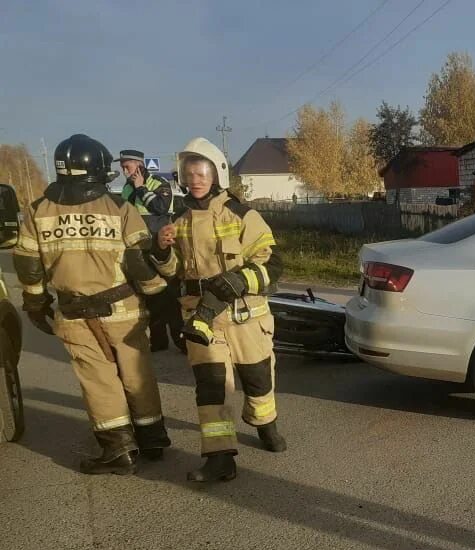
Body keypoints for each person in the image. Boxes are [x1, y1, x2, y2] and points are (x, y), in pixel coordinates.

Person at [12, 134, 171, 473]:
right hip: (124, 309)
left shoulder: (38, 211)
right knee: (136, 372)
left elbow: (27, 264)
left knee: (98, 378)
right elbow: (139, 261)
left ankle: (118, 450)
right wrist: (157, 294)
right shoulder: (119, 208)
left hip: (74, 313)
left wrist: (36, 304)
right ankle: (152, 438)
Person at [150, 137, 286, 483]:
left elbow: (272, 264)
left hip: (246, 317)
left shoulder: (243, 215)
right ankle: (220, 458)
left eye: (202, 172)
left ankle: (264, 423)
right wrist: (162, 251)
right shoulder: (177, 221)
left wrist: (239, 281)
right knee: (211, 387)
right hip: (201, 320)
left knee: (258, 380)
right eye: (189, 173)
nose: (195, 179)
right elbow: (173, 273)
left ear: (217, 174)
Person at [117, 149, 182, 352]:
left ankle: (181, 341)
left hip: (161, 247)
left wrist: (142, 189)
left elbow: (160, 208)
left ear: (139, 164)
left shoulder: (159, 183)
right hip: (139, 249)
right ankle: (158, 341)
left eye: (127, 166)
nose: (124, 170)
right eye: (122, 166)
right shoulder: (126, 189)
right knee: (151, 296)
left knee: (171, 296)